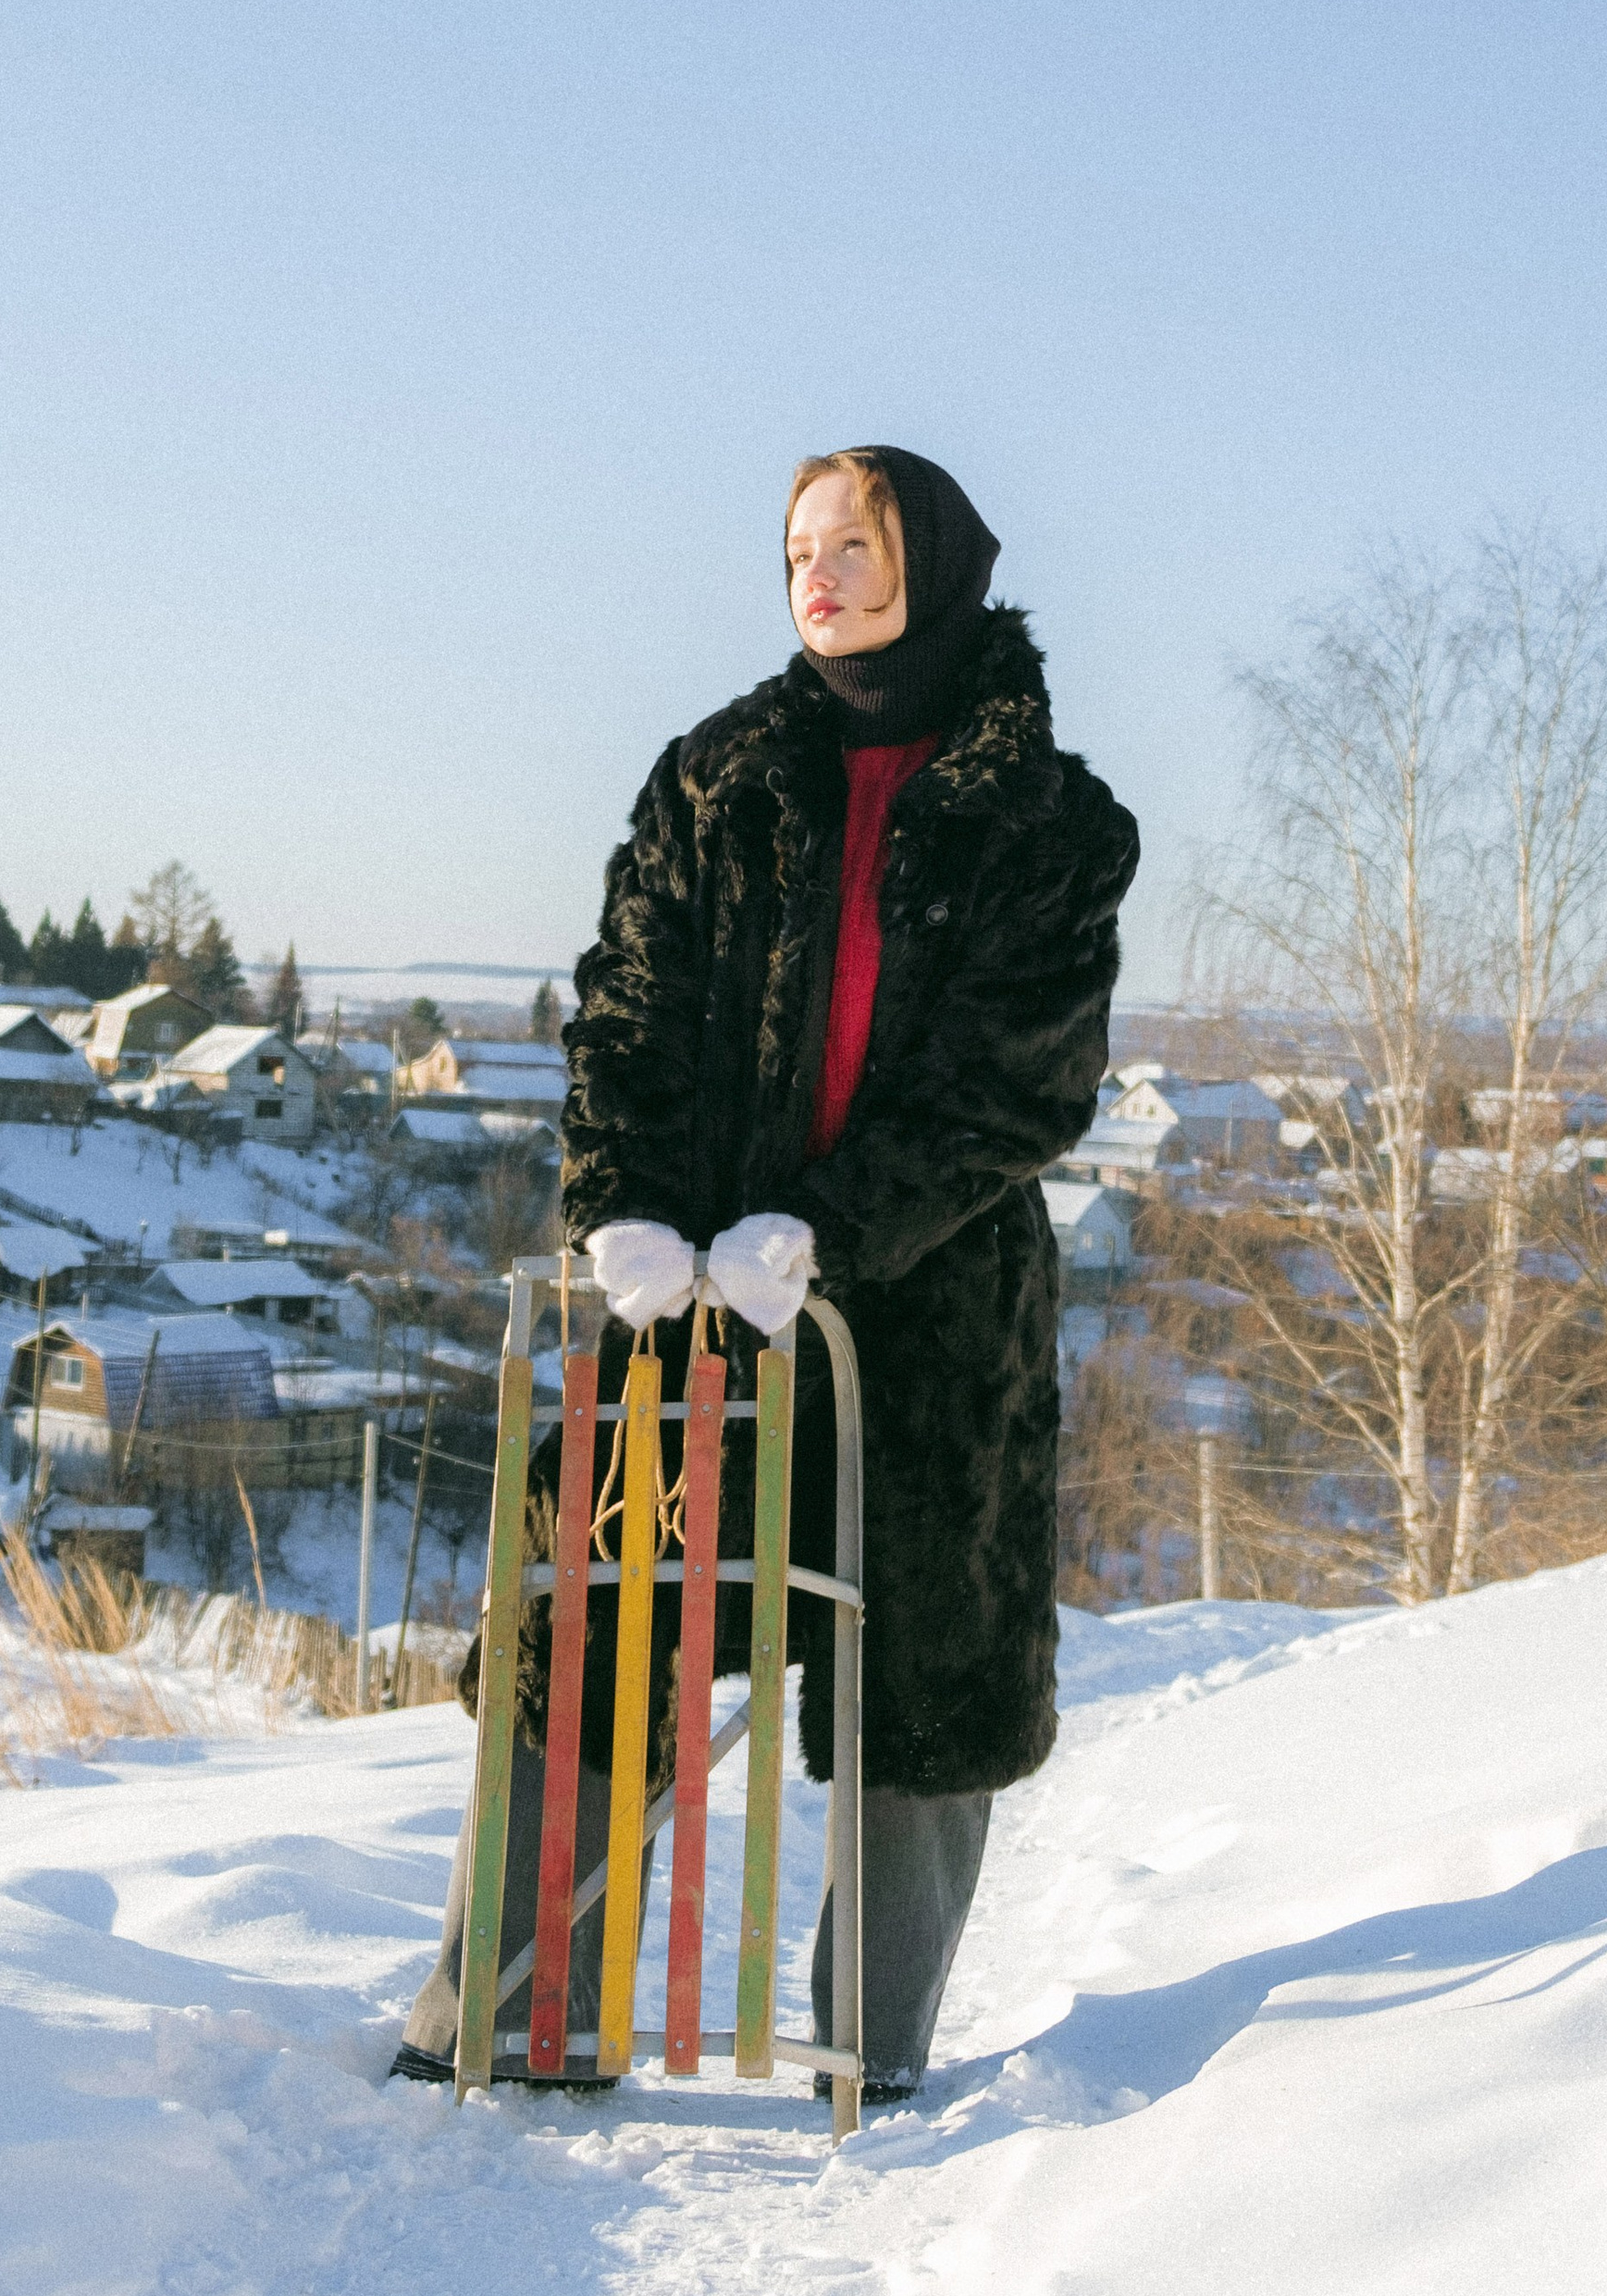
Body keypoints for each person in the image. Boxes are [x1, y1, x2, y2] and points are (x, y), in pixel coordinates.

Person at [393, 445, 1138, 2103]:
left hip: (927, 1324)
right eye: (798, 545)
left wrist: (836, 1230)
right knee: (586, 1633)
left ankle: (867, 2061)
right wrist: (624, 1212)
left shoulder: (1054, 817)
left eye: (854, 541)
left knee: (927, 1692)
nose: (819, 571)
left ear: (932, 560)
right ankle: (512, 2019)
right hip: (693, 1310)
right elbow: (629, 1010)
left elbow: (1019, 1079)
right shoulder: (714, 778)